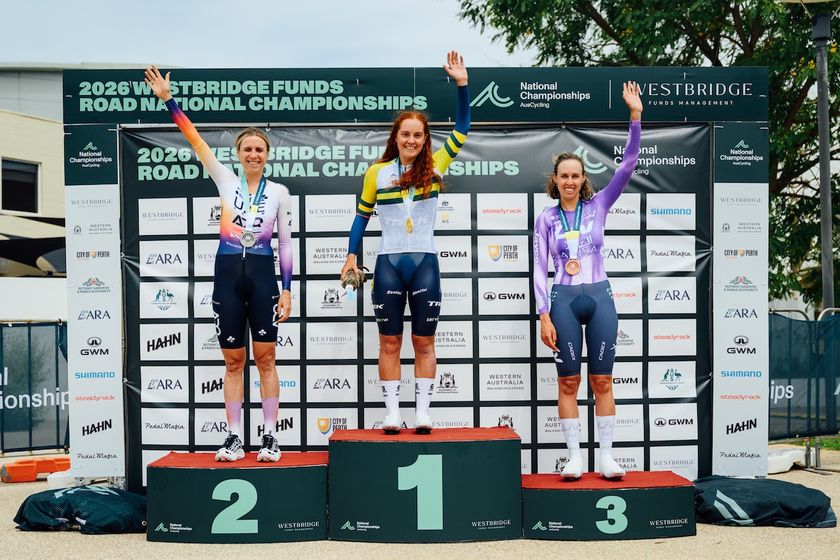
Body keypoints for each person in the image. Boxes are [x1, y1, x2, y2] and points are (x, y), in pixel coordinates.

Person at [145, 66, 293, 462]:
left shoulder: (278, 192)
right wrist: (168, 100)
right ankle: (233, 437)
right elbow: (194, 139)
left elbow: (284, 243)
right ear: (238, 155)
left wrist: (288, 289)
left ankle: (270, 437)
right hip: (227, 276)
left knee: (266, 358)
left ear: (267, 155)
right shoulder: (224, 179)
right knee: (233, 361)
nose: (254, 154)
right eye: (247, 149)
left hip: (262, 278)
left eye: (260, 149)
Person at [340, 51, 469, 434]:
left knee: (424, 342)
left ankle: (423, 412)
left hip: (425, 262)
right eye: (405, 133)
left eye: (417, 134)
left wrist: (462, 85)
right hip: (388, 264)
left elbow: (462, 128)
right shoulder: (377, 174)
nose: (411, 139)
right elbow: (361, 217)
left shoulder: (437, 166)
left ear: (425, 139)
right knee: (390, 342)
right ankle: (393, 412)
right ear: (395, 138)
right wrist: (350, 256)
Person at [533, 81, 642, 479]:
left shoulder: (600, 206)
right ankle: (575, 457)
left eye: (576, 176)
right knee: (568, 382)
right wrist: (543, 315)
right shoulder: (545, 218)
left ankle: (607, 457)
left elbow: (628, 165)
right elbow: (537, 268)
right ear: (555, 179)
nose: (570, 182)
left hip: (600, 297)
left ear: (583, 179)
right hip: (562, 298)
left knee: (602, 379)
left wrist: (635, 117)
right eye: (564, 176)